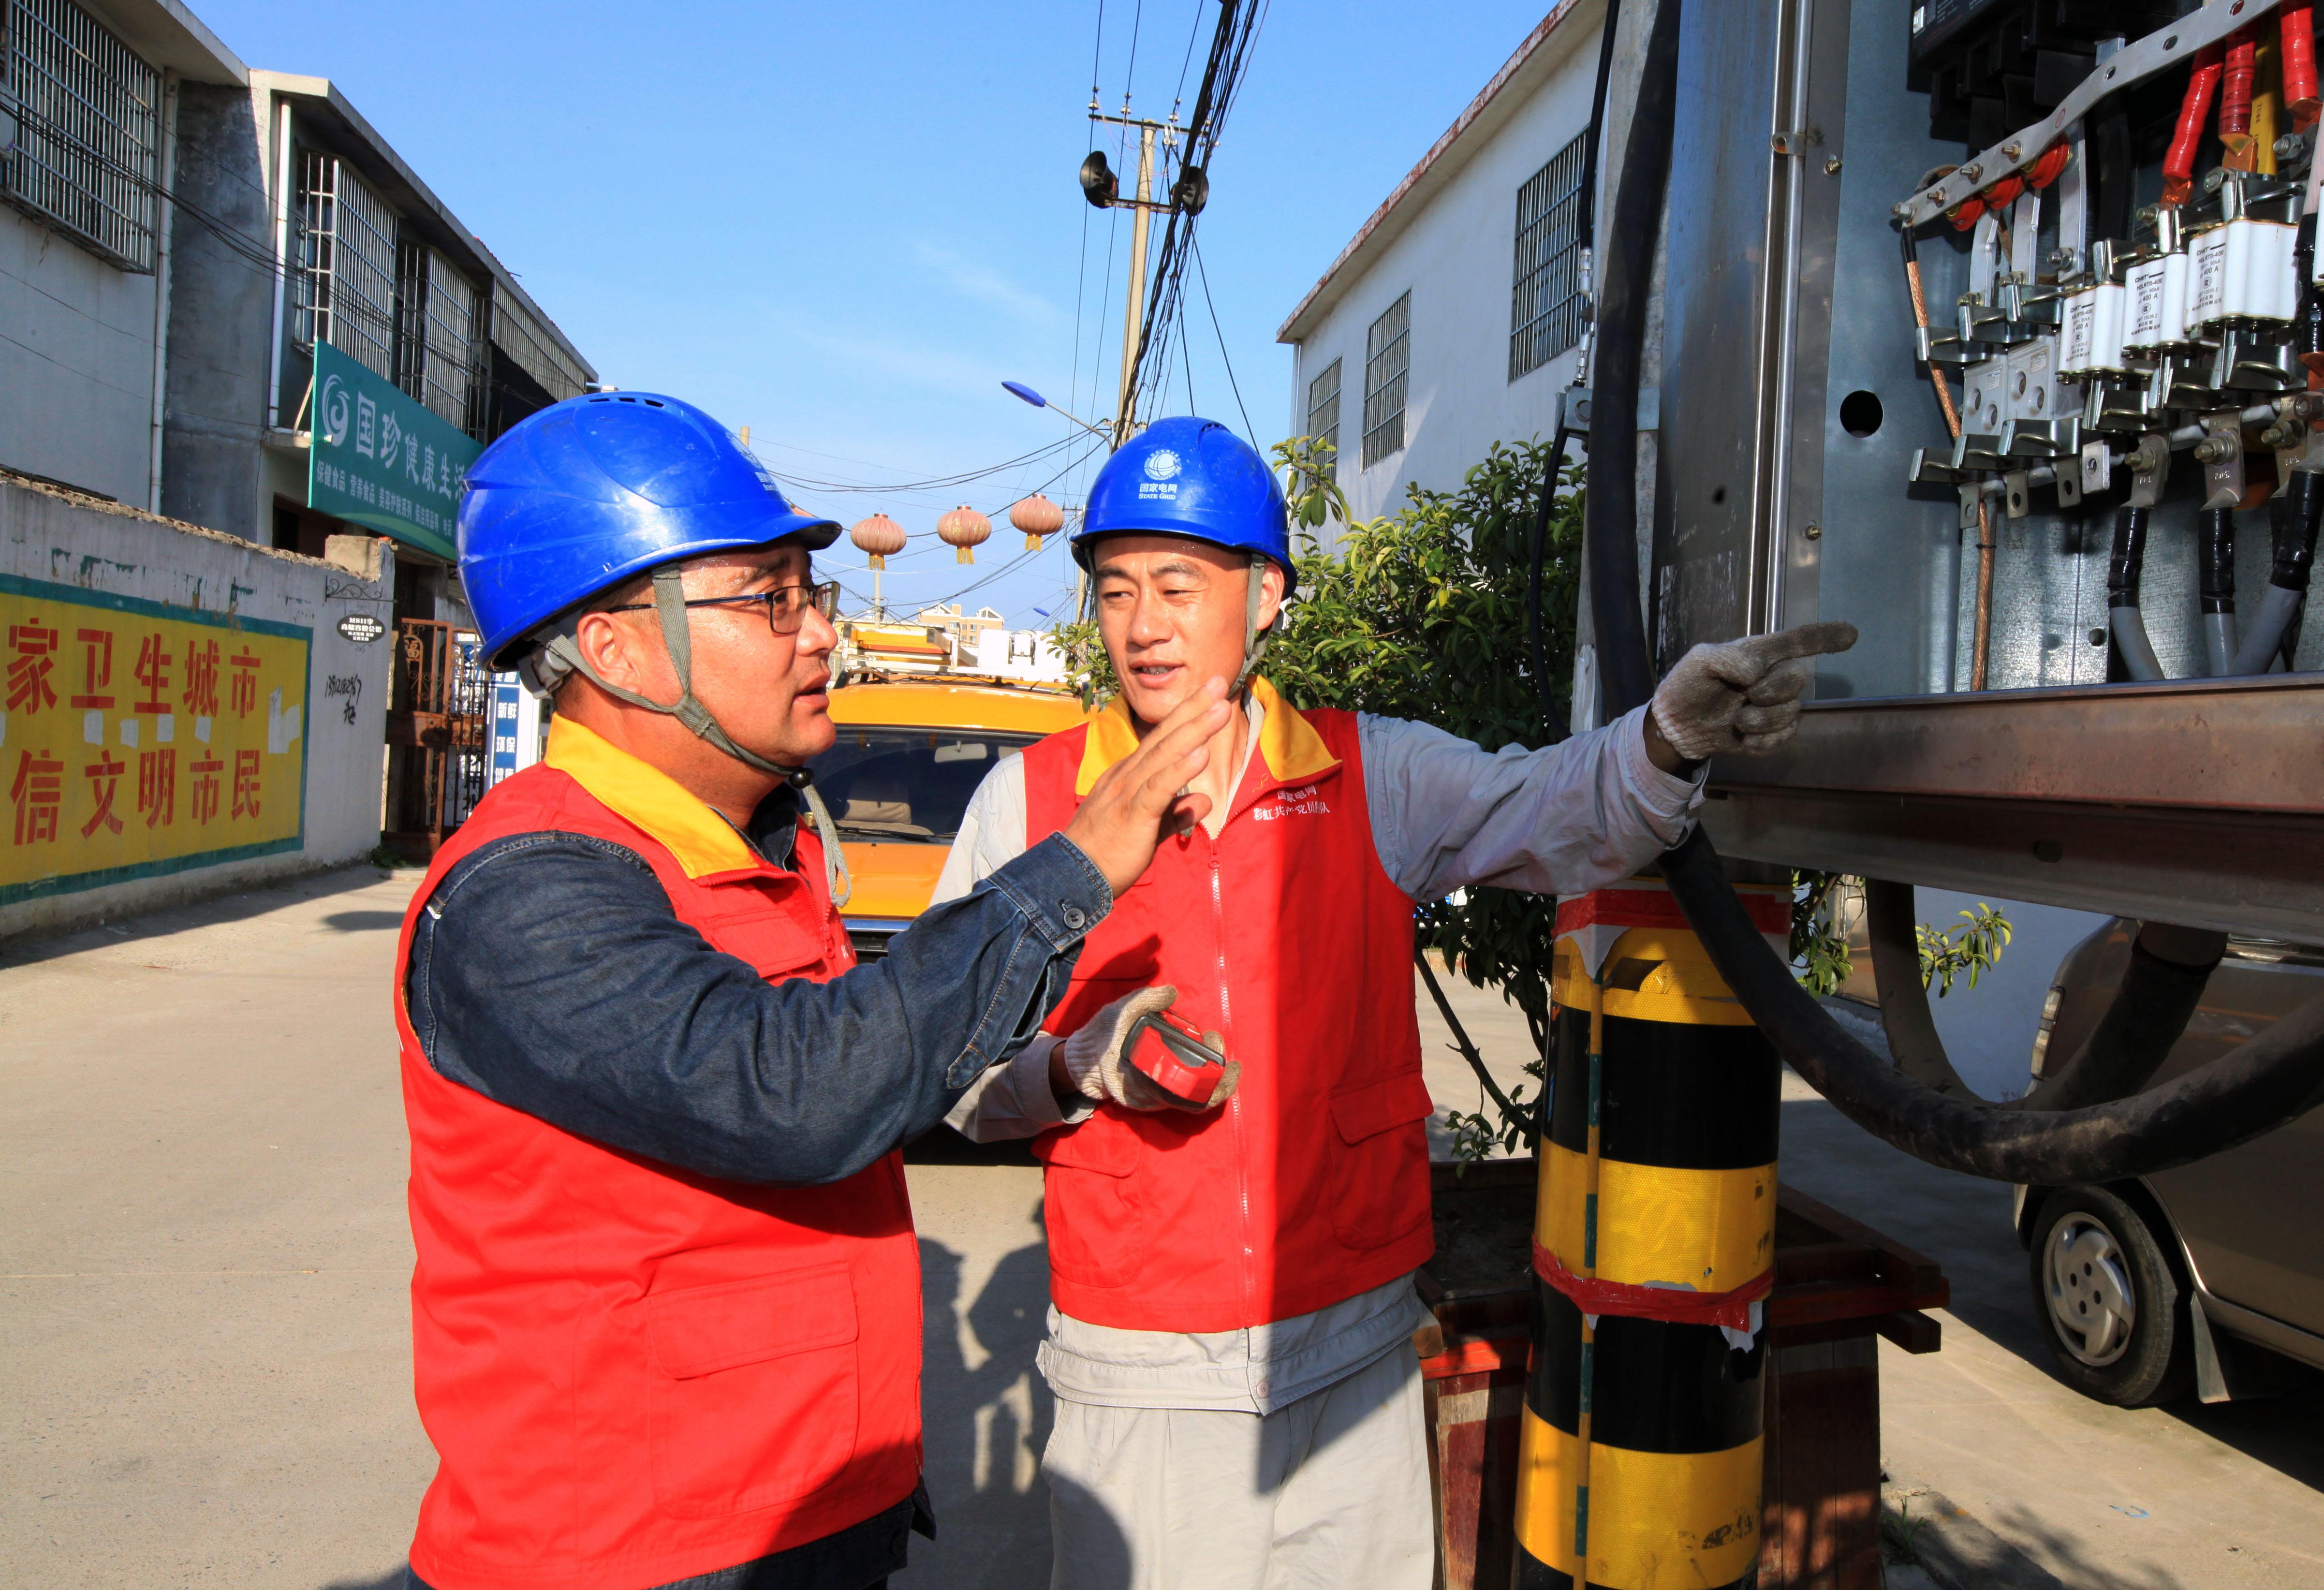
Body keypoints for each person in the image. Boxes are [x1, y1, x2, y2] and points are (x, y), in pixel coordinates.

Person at [938, 415, 1854, 1588]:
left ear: (1265, 595)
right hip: (1146, 1366)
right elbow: (953, 1080)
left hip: (1358, 1355)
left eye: (1178, 583)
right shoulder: (1030, 807)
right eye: (1116, 592)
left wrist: (1667, 740)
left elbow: (1556, 805)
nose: (1144, 625)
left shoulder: (1368, 774)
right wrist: (1076, 1068)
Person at [391, 392, 1231, 1590]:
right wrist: (1078, 866)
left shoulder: (754, 845)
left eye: (812, 595)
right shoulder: (529, 893)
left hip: (792, 1520)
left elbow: (886, 1067)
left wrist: (1067, 1059)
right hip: (632, 1553)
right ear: (616, 646)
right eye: (768, 598)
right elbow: (803, 1090)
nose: (819, 635)